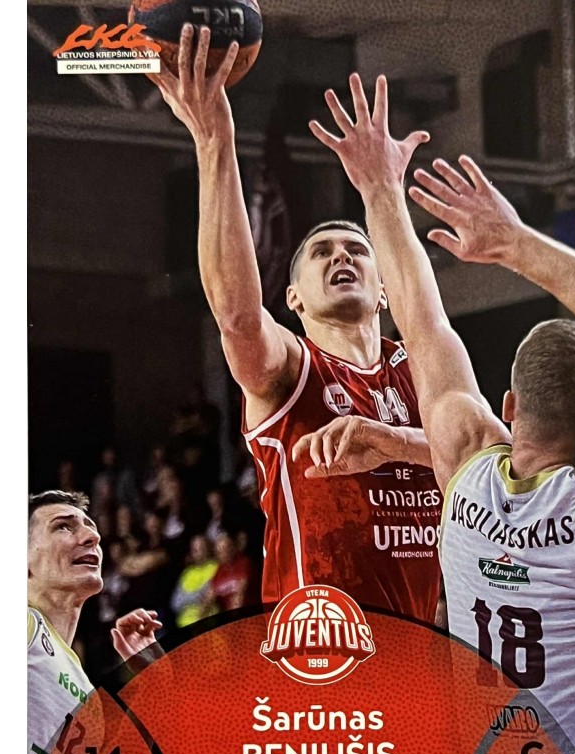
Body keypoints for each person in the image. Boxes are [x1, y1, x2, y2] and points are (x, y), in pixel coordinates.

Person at [302, 74, 575, 754]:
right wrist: (521, 246)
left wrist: (379, 188)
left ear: (509, 406)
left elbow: (422, 321)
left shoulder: (463, 462)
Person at [147, 27, 442, 623]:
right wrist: (214, 140)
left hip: (422, 643)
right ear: (294, 299)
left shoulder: (422, 369)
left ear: (384, 290)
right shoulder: (291, 367)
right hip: (318, 648)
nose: (341, 257)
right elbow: (236, 315)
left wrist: (393, 441)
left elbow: (493, 450)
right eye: (322, 252)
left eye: (356, 250)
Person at [27, 490, 162, 754]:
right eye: (64, 526)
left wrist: (155, 685)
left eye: (91, 527)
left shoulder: (88, 696)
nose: (93, 537)